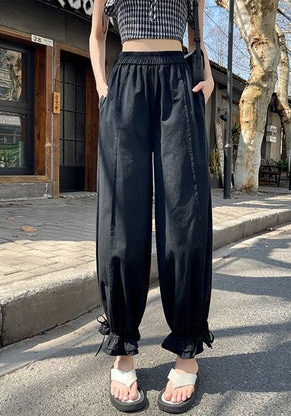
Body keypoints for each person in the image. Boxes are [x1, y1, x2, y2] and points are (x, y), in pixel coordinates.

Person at [89, 0, 214, 413]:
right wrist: (102, 87)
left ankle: (187, 350)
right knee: (121, 221)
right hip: (126, 83)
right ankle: (122, 347)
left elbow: (196, 37)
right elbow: (96, 35)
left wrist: (208, 78)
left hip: (179, 82)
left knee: (186, 216)